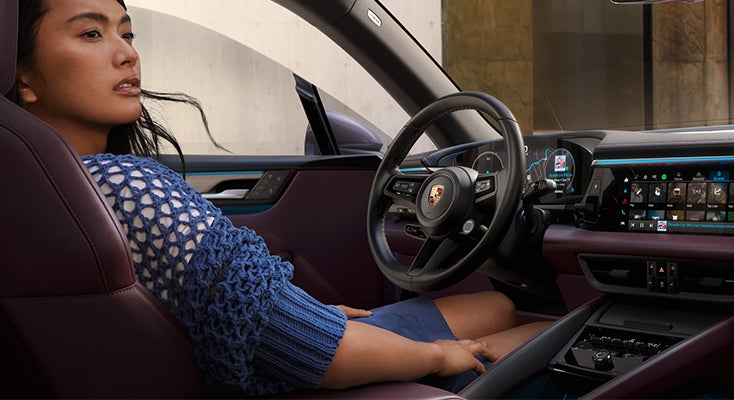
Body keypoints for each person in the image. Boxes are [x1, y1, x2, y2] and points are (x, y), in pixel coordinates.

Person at [14, 0, 550, 395]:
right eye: (90, 34)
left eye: (127, 33)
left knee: (498, 303)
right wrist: (434, 357)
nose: (126, 53)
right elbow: (301, 346)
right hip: (283, 374)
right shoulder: (127, 186)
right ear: (24, 78)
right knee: (564, 337)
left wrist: (283, 311)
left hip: (252, 357)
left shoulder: (38, 194)